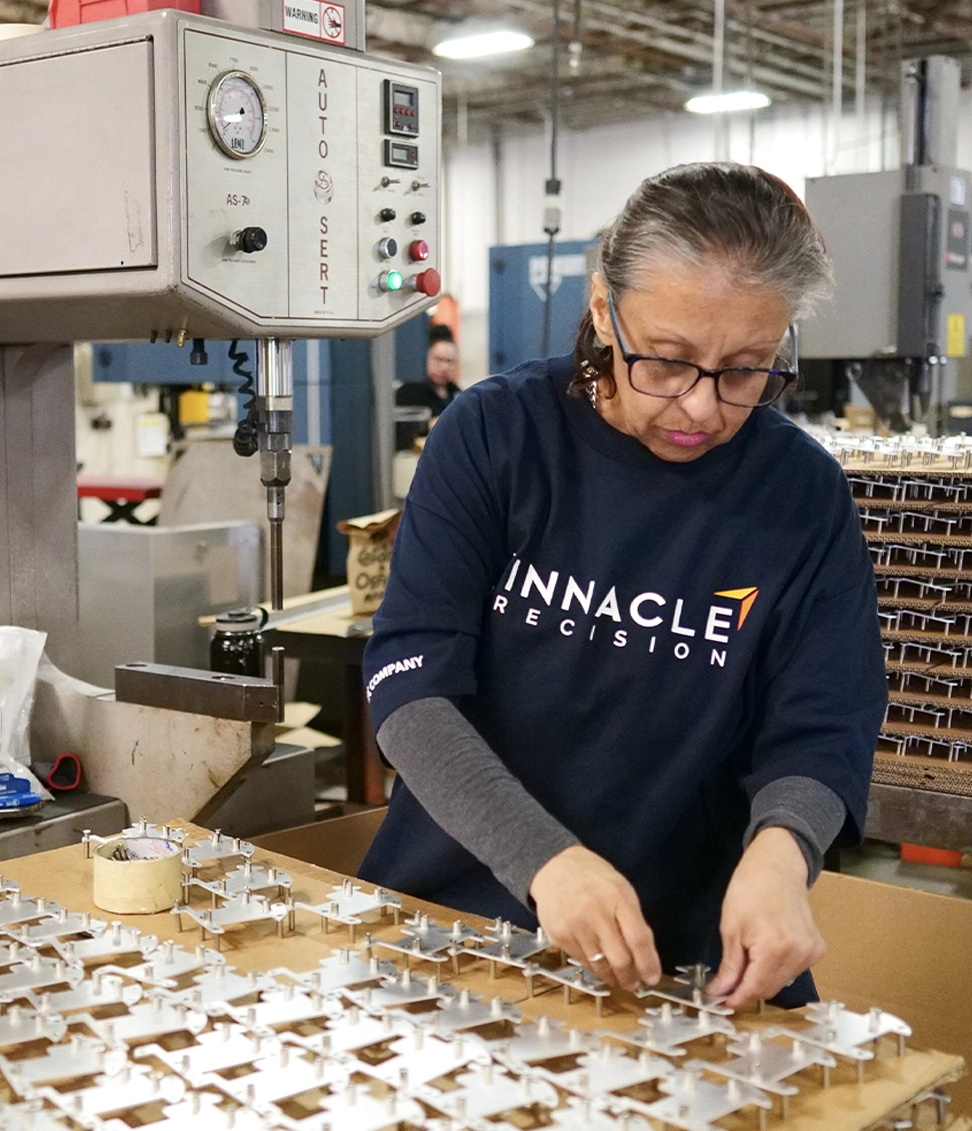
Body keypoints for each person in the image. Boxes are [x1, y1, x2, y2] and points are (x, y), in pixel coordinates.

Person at [356, 163, 883, 1010]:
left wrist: (784, 854)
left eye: (746, 371)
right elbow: (411, 690)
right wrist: (544, 860)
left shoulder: (802, 496)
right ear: (604, 311)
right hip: (457, 919)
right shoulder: (496, 437)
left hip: (680, 960)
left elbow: (824, 725)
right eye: (668, 363)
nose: (703, 408)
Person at [395, 324, 463, 450]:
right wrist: (427, 425)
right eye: (438, 360)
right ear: (427, 359)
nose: (444, 367)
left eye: (449, 361)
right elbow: (397, 435)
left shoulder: (460, 397)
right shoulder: (408, 394)